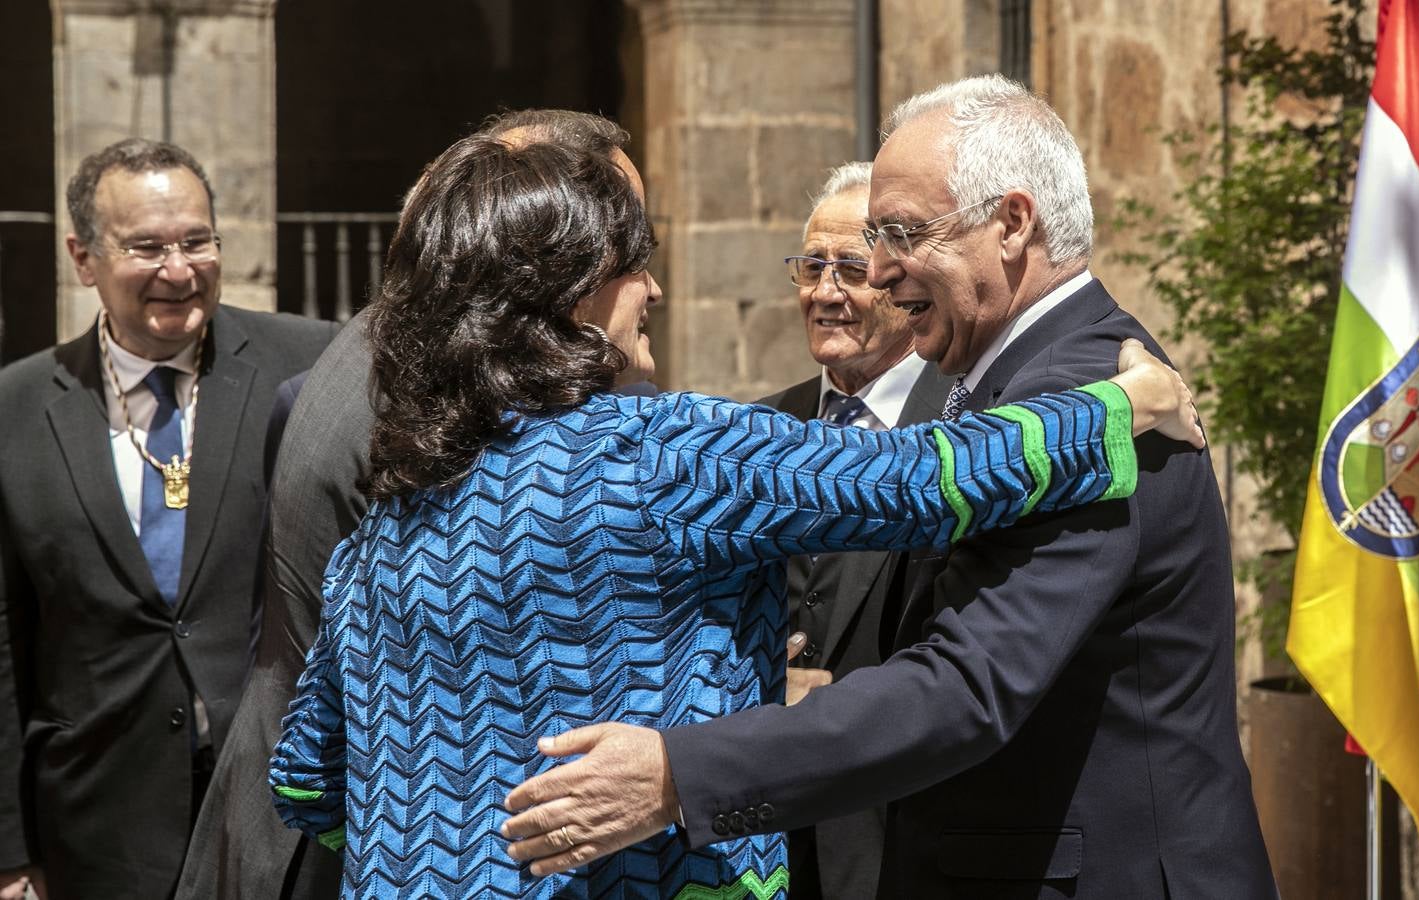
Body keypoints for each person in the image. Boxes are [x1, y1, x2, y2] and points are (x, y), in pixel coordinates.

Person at [267, 132, 1201, 898]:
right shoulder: (658, 453)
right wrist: (1123, 405)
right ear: (570, 290)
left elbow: (307, 779)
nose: (656, 291)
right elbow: (926, 480)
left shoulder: (385, 529)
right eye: (634, 265)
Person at [502, 74, 1278, 898]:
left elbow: (966, 687)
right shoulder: (1053, 389)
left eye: (901, 233)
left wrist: (677, 773)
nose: (875, 272)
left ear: (1012, 223)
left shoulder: (1079, 387)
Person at [175, 109, 642, 900]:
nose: (643, 270)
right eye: (619, 234)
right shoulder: (442, 403)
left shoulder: (388, 357)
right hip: (353, 828)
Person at [0, 138, 338, 900]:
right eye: (146, 246)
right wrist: (9, 851)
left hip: (279, 809)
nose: (179, 270)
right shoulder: (14, 410)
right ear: (83, 258)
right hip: (96, 825)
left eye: (197, 241)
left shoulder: (308, 364)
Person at [768, 161, 947, 900]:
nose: (823, 292)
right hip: (767, 834)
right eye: (810, 266)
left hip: (904, 836)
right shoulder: (759, 430)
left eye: (848, 268)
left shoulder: (964, 431)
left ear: (898, 282)